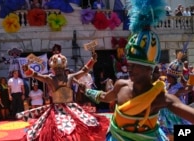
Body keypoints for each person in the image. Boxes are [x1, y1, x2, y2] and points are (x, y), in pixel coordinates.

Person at [81, 0, 194, 140]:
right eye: (130, 63)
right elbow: (105, 97)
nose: (130, 68)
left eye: (136, 65)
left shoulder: (160, 98)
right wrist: (86, 90)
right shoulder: (121, 85)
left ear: (149, 69)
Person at [21, 52, 109, 140]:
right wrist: (26, 69)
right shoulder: (50, 79)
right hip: (56, 110)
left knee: (85, 126)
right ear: (53, 69)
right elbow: (36, 75)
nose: (58, 70)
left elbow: (84, 70)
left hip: (71, 107)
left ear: (64, 68)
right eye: (56, 69)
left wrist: (92, 60)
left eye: (60, 68)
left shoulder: (70, 77)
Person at [159, 52, 192, 139]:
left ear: (174, 78)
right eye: (167, 75)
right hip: (165, 117)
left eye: (169, 76)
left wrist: (187, 78)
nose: (167, 77)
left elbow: (188, 89)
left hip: (175, 117)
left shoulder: (177, 88)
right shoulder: (166, 83)